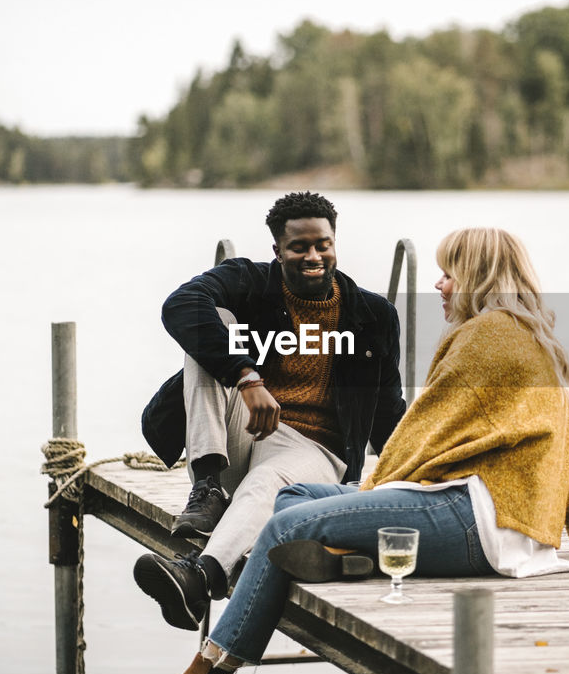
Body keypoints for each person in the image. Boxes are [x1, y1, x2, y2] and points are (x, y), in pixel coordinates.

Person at [111, 227, 569, 674]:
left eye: (450, 273)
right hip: (481, 512)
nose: (440, 284)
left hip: (477, 518)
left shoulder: (486, 337)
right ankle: (344, 550)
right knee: (298, 495)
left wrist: (373, 491)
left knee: (285, 524)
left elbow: (422, 432)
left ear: (481, 276)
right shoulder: (532, 338)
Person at [134, 191, 406, 630]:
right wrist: (247, 377)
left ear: (335, 242)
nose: (313, 255)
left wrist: (420, 473)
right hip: (240, 435)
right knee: (209, 323)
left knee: (265, 484)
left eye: (323, 244)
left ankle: (198, 578)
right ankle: (206, 488)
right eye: (300, 247)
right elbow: (179, 306)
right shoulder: (249, 282)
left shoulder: (372, 315)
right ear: (278, 251)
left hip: (316, 450)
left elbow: (388, 408)